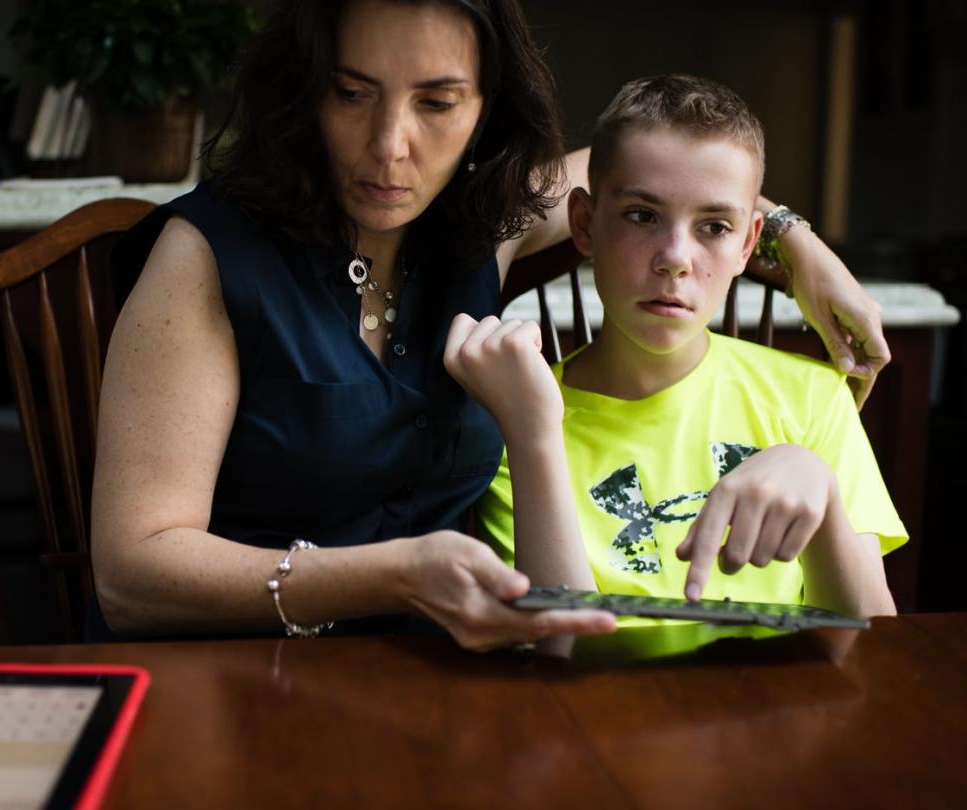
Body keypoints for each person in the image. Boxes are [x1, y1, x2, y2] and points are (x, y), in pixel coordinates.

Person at [91, 0, 891, 651]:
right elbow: (132, 576)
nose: (391, 146)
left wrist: (792, 238)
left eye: (437, 102)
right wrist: (397, 574)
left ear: (485, 112)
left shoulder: (479, 223)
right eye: (351, 92)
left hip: (438, 680)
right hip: (222, 675)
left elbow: (635, 171)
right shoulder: (204, 258)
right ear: (304, 89)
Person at [466, 74, 905, 619]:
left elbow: (876, 635)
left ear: (750, 243)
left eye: (714, 226)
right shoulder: (520, 417)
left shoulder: (813, 398)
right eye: (642, 216)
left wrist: (823, 496)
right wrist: (533, 435)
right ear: (584, 223)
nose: (675, 257)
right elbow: (562, 644)